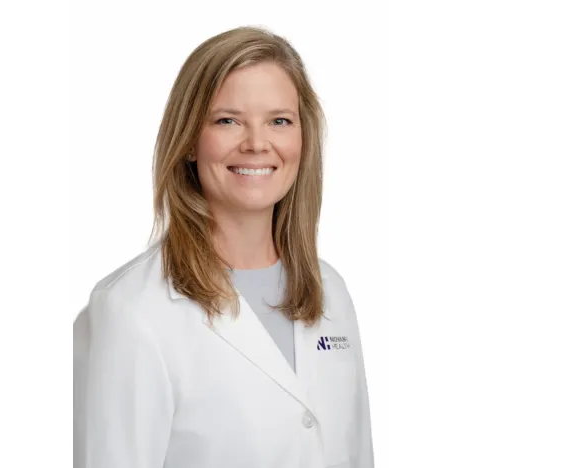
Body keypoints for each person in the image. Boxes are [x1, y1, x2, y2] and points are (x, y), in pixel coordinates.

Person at [73, 25, 374, 468]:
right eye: (227, 120)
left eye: (279, 121)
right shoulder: (130, 310)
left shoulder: (331, 291)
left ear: (303, 138)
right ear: (189, 141)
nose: (256, 143)